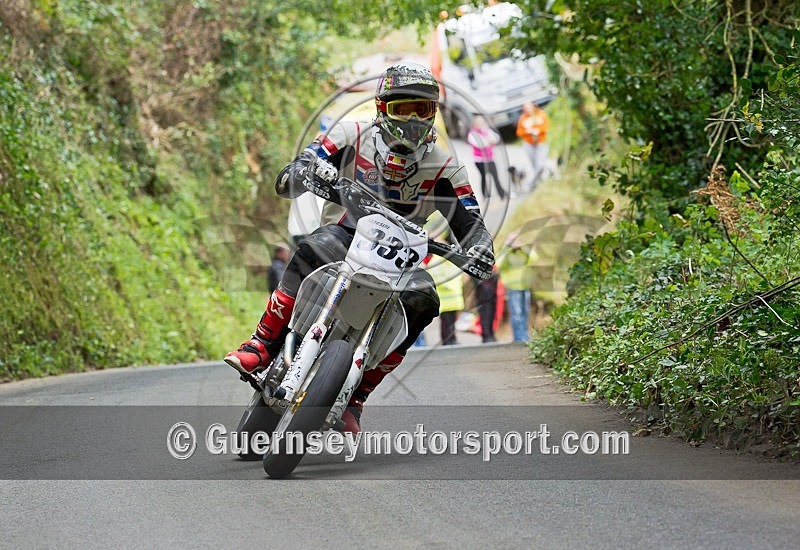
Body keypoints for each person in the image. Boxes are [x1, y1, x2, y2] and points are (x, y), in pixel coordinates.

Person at [224, 62, 495, 432]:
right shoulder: (350, 134)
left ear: (434, 114)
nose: (413, 119)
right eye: (404, 108)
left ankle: (357, 396)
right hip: (345, 235)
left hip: (401, 259)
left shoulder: (446, 167)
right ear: (383, 108)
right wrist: (303, 170)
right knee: (312, 249)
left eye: (423, 110)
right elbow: (300, 168)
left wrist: (479, 248)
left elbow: (471, 223)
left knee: (426, 300)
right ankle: (261, 343)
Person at [497, 233, 538, 342]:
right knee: (516, 314)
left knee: (525, 312)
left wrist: (523, 247)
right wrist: (506, 247)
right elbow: (498, 263)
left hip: (525, 287)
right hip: (513, 288)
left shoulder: (523, 253)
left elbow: (534, 258)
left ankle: (525, 336)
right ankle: (518, 337)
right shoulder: (506, 254)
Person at [466, 115, 504, 200]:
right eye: (479, 122)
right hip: (479, 160)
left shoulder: (486, 130)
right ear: (475, 124)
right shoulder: (472, 134)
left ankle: (502, 194)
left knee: (495, 176)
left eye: (482, 122)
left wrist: (488, 140)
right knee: (484, 177)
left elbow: (496, 138)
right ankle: (486, 196)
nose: (481, 124)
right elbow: (481, 145)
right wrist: (488, 140)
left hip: (490, 158)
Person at [515, 101, 550, 191]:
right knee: (534, 164)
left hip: (541, 142)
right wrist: (528, 131)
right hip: (529, 143)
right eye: (525, 108)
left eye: (529, 107)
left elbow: (546, 126)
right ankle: (539, 183)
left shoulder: (541, 114)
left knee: (541, 164)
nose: (528, 109)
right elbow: (519, 132)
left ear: (533, 106)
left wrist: (538, 130)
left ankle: (533, 183)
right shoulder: (522, 118)